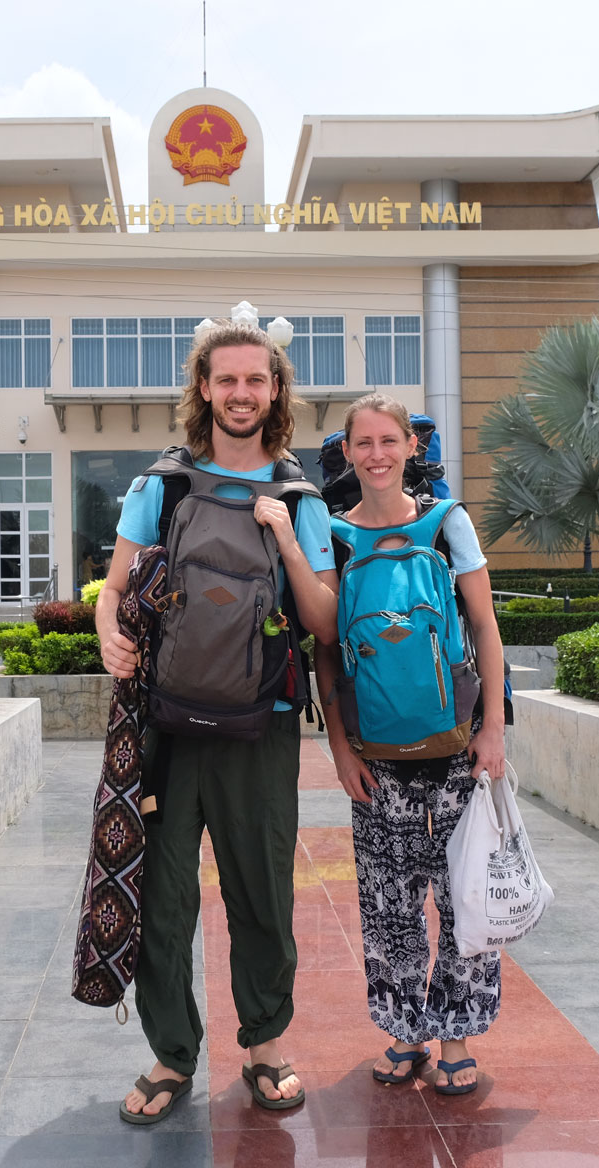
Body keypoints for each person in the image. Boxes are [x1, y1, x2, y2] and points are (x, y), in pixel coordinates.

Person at [97, 319, 338, 1124]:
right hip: (167, 723)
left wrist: (289, 541)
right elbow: (114, 587)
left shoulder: (301, 496)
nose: (242, 394)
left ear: (276, 392)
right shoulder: (161, 486)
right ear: (204, 387)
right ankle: (172, 1054)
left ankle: (265, 1044)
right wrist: (108, 639)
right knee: (164, 896)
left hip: (262, 724)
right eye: (227, 380)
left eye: (256, 381)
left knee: (261, 887)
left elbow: (324, 620)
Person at [313, 393, 507, 1097]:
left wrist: (493, 730)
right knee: (387, 898)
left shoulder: (447, 522)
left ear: (411, 448)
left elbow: (484, 626)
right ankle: (404, 1031)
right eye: (363, 443)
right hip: (375, 754)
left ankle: (455, 1034)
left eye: (388, 440)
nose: (377, 455)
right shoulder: (333, 535)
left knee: (462, 893)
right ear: (348, 451)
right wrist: (339, 748)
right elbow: (325, 650)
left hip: (455, 743)